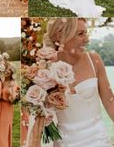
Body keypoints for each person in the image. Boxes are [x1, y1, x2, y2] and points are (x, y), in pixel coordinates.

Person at [41, 18, 114, 147]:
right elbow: (39, 116)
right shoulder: (45, 70)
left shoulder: (94, 60)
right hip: (63, 142)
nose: (87, 39)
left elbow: (110, 103)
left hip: (98, 140)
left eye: (86, 33)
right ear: (61, 35)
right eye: (81, 34)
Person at [0, 62, 20, 147]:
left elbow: (13, 99)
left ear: (12, 72)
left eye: (10, 70)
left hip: (6, 108)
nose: (7, 71)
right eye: (6, 69)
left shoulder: (13, 83)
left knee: (1, 133)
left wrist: (16, 97)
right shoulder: (0, 81)